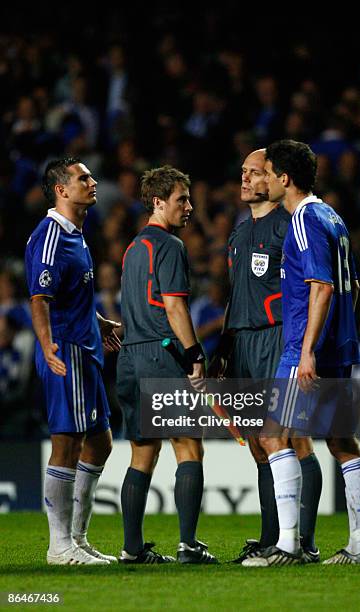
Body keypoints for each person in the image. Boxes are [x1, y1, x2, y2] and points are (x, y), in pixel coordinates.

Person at [243, 139, 360, 567]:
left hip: (304, 346)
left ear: (284, 178)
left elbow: (322, 286)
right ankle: (358, 546)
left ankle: (289, 545)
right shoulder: (333, 217)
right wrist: (336, 339)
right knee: (340, 440)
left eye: (268, 172)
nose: (263, 179)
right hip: (339, 345)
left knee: (274, 436)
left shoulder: (303, 219)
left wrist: (309, 350)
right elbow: (353, 287)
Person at [208, 149, 322, 564]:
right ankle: (270, 537)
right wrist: (222, 350)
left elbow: (312, 286)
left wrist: (307, 343)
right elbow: (237, 298)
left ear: (274, 179)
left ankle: (303, 542)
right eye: (242, 172)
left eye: (254, 173)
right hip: (243, 346)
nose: (245, 179)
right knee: (259, 445)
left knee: (293, 440)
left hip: (279, 340)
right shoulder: (239, 235)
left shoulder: (290, 227)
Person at [117, 165, 217, 564]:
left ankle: (132, 549)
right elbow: (174, 306)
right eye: (181, 199)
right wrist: (194, 353)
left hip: (130, 356)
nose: (189, 207)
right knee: (189, 447)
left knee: (142, 455)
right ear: (158, 202)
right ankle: (189, 545)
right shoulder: (169, 246)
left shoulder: (132, 248)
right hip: (162, 355)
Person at [25, 157, 121, 565]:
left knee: (100, 441)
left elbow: (68, 295)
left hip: (84, 346)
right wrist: (48, 347)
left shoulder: (77, 234)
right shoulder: (49, 236)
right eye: (83, 178)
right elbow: (39, 299)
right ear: (62, 190)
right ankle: (59, 545)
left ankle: (77, 540)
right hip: (66, 351)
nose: (92, 181)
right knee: (67, 443)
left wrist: (97, 322)